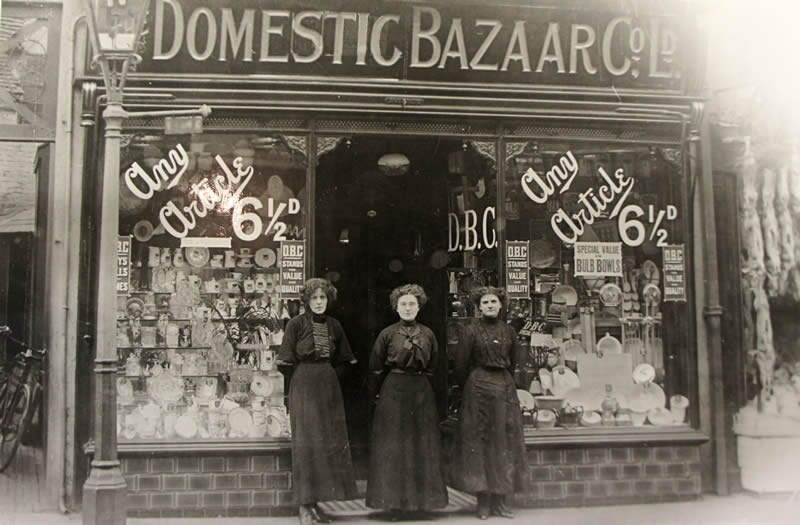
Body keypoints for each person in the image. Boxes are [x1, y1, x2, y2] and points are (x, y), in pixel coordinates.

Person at [278, 278, 358, 525]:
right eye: (314, 298)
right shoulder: (295, 324)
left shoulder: (334, 325)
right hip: (304, 386)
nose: (319, 302)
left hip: (328, 388)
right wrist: (302, 380)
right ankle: (304, 506)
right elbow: (285, 362)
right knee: (306, 444)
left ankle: (319, 503)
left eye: (323, 298)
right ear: (306, 300)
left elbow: (346, 359)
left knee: (327, 443)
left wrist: (329, 375)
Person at [366, 284, 448, 520]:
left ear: (419, 307)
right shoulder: (387, 334)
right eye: (403, 304)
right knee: (394, 446)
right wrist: (377, 395)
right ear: (396, 307)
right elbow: (375, 367)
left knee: (423, 445)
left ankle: (422, 505)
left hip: (421, 392)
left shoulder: (428, 334)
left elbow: (434, 365)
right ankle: (394, 505)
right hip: (393, 391)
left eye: (412, 304)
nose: (408, 308)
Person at [450, 286, 526, 520]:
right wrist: (472, 385)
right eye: (485, 302)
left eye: (494, 301)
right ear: (479, 307)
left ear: (501, 305)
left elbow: (513, 362)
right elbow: (461, 365)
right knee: (479, 443)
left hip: (504, 388)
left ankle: (500, 502)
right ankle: (482, 503)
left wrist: (505, 383)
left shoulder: (509, 331)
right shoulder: (470, 331)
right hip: (478, 389)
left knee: (503, 442)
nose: (490, 305)